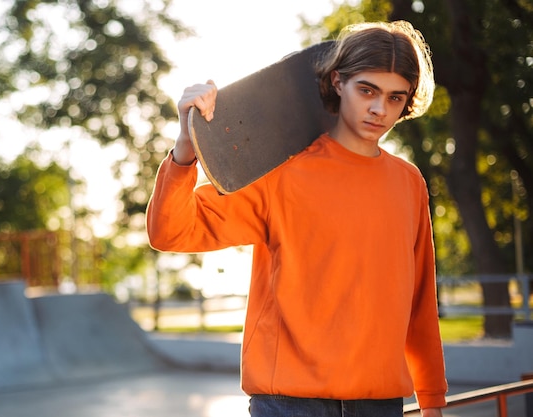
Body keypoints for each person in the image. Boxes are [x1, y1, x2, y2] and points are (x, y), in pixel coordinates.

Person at [146, 20, 447, 417]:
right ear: (338, 83)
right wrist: (185, 149)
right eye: (367, 90)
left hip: (379, 405)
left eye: (395, 97)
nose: (379, 108)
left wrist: (432, 402)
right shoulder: (280, 175)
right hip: (290, 404)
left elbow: (420, 301)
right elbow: (171, 231)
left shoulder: (409, 183)